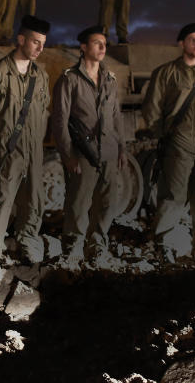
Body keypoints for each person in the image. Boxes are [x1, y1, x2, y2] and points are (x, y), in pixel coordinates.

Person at [141, 23, 195, 263]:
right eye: (192, 39)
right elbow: (152, 109)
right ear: (182, 43)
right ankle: (165, 245)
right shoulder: (166, 72)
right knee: (173, 196)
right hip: (177, 143)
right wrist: (165, 136)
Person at [0, 14, 51, 263]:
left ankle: (27, 241)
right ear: (21, 39)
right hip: (6, 150)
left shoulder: (41, 76)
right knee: (1, 200)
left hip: (34, 151)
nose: (40, 48)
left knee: (34, 200)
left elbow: (44, 110)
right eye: (35, 42)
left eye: (43, 43)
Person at [51, 25, 124, 262]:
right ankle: (72, 249)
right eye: (97, 43)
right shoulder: (70, 79)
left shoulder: (110, 79)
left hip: (109, 152)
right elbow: (60, 121)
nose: (103, 47)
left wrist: (122, 148)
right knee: (78, 204)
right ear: (83, 47)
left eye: (104, 43)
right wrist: (68, 155)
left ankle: (97, 246)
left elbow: (116, 117)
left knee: (107, 203)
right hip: (83, 152)